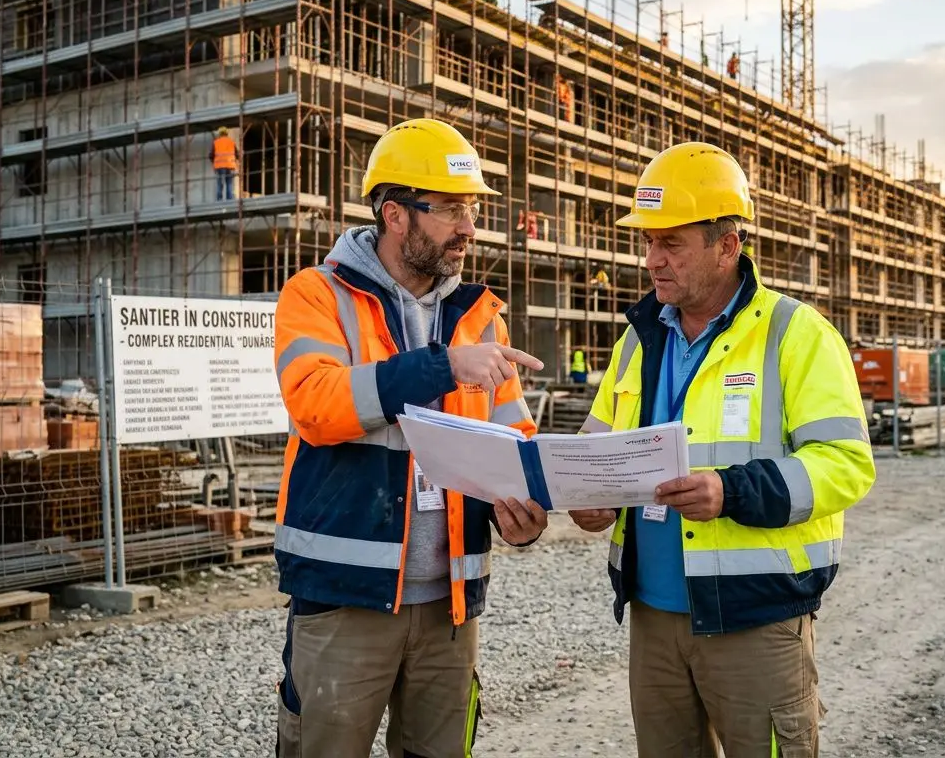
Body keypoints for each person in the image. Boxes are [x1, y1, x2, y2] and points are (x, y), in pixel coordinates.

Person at [569, 142, 876, 758]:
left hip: (754, 618)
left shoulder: (796, 334)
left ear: (727, 245)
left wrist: (731, 490)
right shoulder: (639, 338)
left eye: (671, 243)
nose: (651, 260)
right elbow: (595, 443)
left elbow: (846, 465)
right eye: (648, 242)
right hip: (654, 616)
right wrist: (586, 495)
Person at [272, 117, 549, 758]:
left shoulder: (478, 316)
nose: (469, 228)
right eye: (450, 209)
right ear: (395, 215)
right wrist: (442, 366)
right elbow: (316, 404)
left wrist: (525, 513)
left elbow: (515, 442)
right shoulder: (317, 295)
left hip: (450, 606)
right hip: (346, 599)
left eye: (471, 209)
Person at [209, 126, 239, 201]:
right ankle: (229, 200)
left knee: (220, 184)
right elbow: (237, 154)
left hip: (219, 166)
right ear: (227, 133)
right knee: (229, 183)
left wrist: (214, 162)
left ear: (219, 134)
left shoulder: (216, 142)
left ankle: (219, 200)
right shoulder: (231, 142)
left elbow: (210, 155)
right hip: (230, 166)